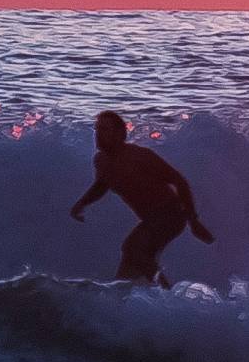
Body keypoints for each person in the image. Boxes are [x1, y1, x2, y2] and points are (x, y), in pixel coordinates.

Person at [69, 110, 213, 285]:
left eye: (105, 129)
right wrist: (82, 203)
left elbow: (179, 181)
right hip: (151, 219)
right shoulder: (101, 161)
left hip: (171, 215)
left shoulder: (139, 156)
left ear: (120, 134)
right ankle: (128, 300)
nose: (98, 134)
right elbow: (102, 185)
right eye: (97, 129)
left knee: (133, 249)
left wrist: (194, 222)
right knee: (129, 268)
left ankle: (167, 294)